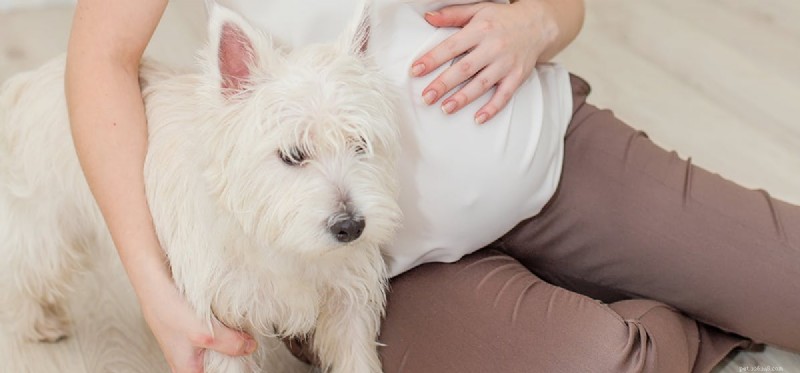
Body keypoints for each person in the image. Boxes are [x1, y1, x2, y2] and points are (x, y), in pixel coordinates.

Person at [64, 1, 799, 373]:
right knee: (603, 362)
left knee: (789, 276)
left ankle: (690, 286)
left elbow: (558, 4)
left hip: (549, 153)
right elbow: (101, 59)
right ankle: (682, 305)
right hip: (362, 275)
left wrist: (537, 22)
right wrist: (154, 282)